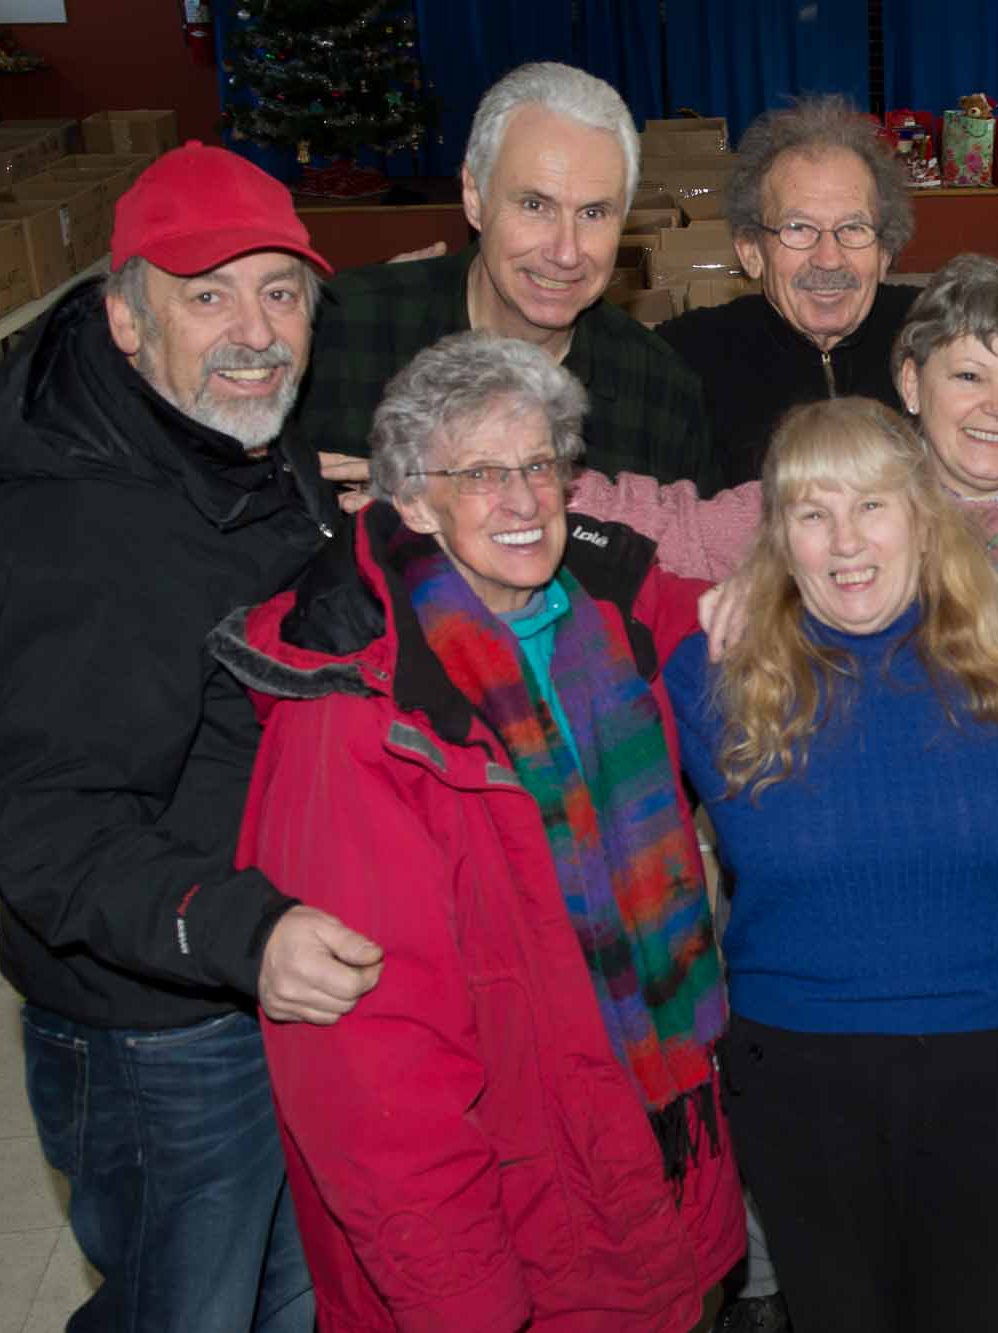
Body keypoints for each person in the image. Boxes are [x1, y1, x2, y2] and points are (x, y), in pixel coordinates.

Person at [214, 332, 743, 1330]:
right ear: (410, 501)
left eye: (539, 464)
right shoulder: (362, 719)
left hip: (634, 1188)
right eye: (481, 473)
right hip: (507, 1239)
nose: (523, 499)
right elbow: (373, 1078)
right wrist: (461, 1300)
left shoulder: (603, 634)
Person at [0, 142, 382, 1330]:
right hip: (161, 1036)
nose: (255, 330)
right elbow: (43, 829)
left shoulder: (250, 455)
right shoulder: (68, 530)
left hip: (263, 986)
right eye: (207, 295)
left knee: (294, 1298)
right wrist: (244, 927)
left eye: (281, 292)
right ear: (126, 322)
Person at [661, 397, 998, 1333]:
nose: (845, 540)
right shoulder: (713, 675)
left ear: (923, 516)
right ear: (779, 538)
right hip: (800, 1075)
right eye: (812, 513)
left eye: (872, 506)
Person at [289, 62, 718, 492]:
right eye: (535, 206)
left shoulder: (661, 394)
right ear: (474, 199)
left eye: (593, 213)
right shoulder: (340, 335)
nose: (566, 252)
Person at [572, 254, 998, 579]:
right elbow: (682, 528)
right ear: (912, 383)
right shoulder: (847, 494)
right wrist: (538, 481)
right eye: (969, 376)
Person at [655, 95, 919, 488]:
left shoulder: (936, 339)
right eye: (798, 228)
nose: (829, 259)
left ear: (884, 253)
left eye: (853, 228)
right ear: (751, 252)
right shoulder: (684, 361)